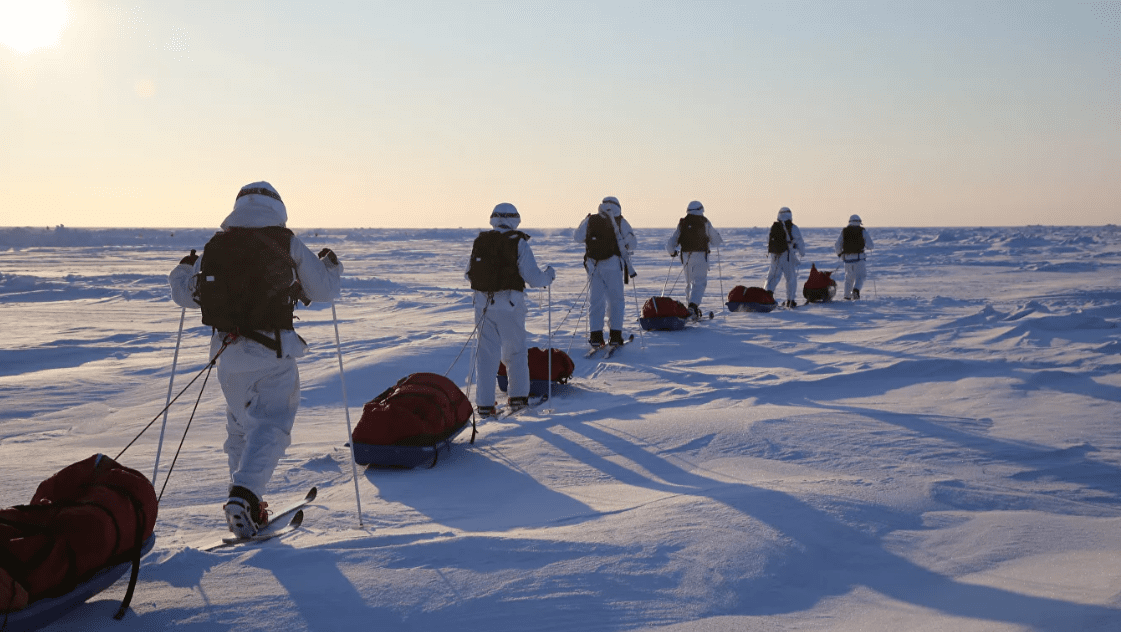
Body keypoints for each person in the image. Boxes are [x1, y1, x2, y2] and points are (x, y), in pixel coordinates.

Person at [168, 181, 342, 538]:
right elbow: (323, 291)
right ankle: (245, 496)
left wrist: (183, 270)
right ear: (277, 207)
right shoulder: (286, 241)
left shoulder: (217, 245)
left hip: (226, 354)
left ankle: (248, 505)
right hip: (271, 351)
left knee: (241, 430)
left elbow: (186, 296)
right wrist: (331, 267)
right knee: (272, 426)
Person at [466, 203, 555, 417]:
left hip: (482, 305)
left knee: (486, 354)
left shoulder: (481, 241)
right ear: (515, 219)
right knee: (515, 352)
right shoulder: (519, 242)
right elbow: (533, 277)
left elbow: (469, 274)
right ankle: (517, 399)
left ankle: (485, 404)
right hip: (510, 305)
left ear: (493, 219)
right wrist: (549, 276)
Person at [573, 196, 637, 346]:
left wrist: (585, 220)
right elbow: (633, 244)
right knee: (616, 300)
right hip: (613, 264)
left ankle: (595, 336)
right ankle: (615, 335)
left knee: (596, 300)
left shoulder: (592, 220)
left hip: (593, 265)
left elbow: (577, 237)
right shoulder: (620, 220)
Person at [665, 200, 724, 319]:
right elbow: (716, 240)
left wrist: (672, 252)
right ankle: (692, 307)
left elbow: (672, 241)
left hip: (686, 256)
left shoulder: (683, 222)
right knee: (700, 282)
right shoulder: (705, 222)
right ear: (701, 209)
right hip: (701, 255)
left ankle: (690, 309)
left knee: (690, 282)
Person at [764, 206, 806, 308]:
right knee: (791, 278)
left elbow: (768, 241)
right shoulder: (793, 227)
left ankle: (766, 296)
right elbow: (800, 242)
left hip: (775, 256)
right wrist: (802, 252)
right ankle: (790, 300)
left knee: (772, 276)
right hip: (787, 255)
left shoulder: (774, 227)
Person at [835, 213, 874, 300]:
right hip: (859, 258)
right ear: (859, 222)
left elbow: (837, 245)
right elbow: (871, 245)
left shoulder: (844, 231)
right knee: (861, 276)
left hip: (847, 259)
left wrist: (840, 254)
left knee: (849, 278)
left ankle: (847, 296)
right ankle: (856, 290)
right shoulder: (862, 231)